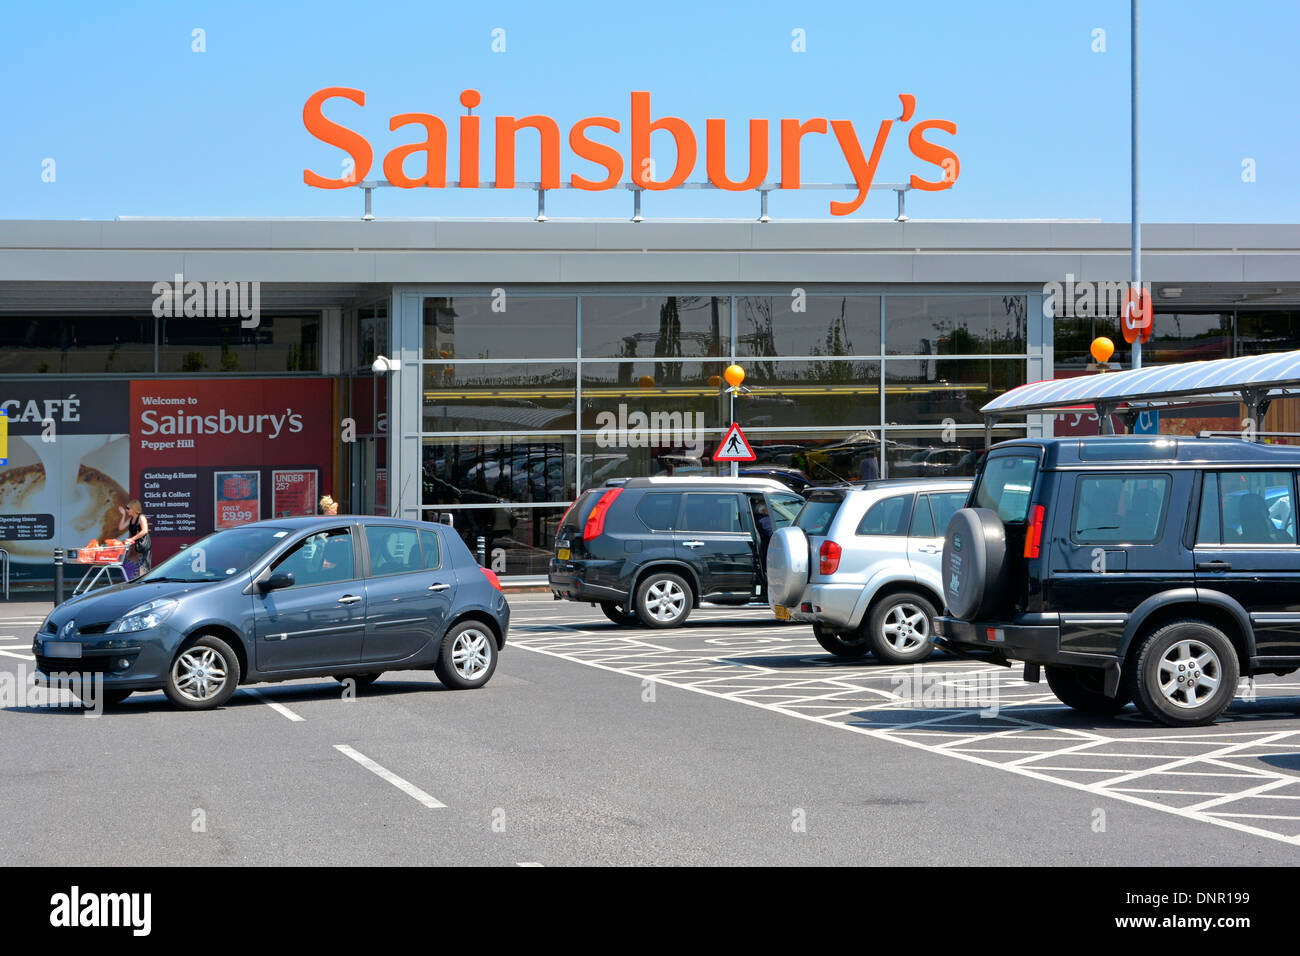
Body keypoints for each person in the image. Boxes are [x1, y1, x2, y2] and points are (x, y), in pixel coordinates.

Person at [117, 499, 151, 580]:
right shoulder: (131, 519)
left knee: (141, 566)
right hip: (134, 546)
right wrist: (123, 515)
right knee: (128, 564)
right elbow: (121, 528)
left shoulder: (141, 517)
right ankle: (130, 581)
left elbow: (145, 530)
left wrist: (132, 538)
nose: (126, 510)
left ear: (134, 508)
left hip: (142, 546)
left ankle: (140, 583)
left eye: (128, 508)